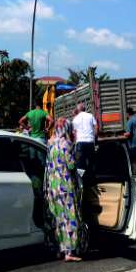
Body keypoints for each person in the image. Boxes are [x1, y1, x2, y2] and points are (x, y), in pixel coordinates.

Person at [44, 118, 82, 262]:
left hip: (53, 187)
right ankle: (69, 252)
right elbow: (71, 166)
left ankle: (59, 249)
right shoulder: (65, 144)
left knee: (58, 219)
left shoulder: (51, 145)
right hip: (65, 186)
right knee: (70, 219)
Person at [72, 103, 98, 184]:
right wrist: (94, 138)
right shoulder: (90, 116)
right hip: (90, 142)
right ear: (85, 109)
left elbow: (74, 133)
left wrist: (75, 143)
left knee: (80, 163)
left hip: (80, 143)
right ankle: (91, 181)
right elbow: (96, 127)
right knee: (91, 162)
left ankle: (82, 181)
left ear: (78, 110)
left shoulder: (75, 119)